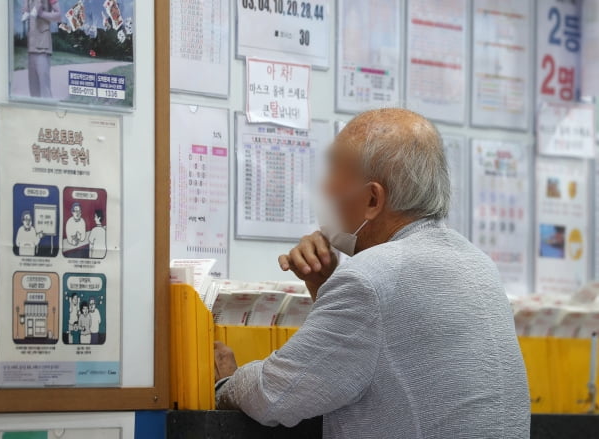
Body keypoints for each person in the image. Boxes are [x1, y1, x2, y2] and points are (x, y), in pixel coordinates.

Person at [214, 109, 530, 438]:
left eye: (334, 169)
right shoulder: (477, 265)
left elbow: (275, 397)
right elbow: (377, 356)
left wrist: (227, 382)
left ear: (372, 198)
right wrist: (324, 284)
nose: (323, 187)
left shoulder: (370, 279)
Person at [21, 0, 61, 98]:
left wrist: (41, 14)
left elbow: (59, 16)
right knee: (34, 93)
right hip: (31, 47)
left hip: (43, 48)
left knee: (44, 92)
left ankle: (49, 112)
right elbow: (25, 12)